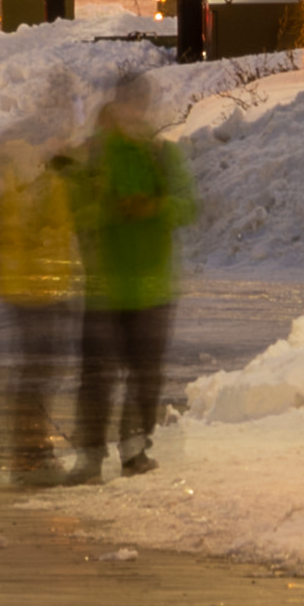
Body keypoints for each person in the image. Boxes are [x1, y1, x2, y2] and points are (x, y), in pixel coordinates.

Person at [66, 73, 189, 476]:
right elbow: (78, 211)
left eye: (139, 102)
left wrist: (154, 208)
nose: (133, 110)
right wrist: (111, 210)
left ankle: (133, 448)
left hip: (151, 286)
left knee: (143, 376)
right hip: (108, 285)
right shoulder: (97, 156)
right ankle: (91, 455)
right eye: (128, 102)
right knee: (98, 377)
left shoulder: (161, 155)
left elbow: (189, 206)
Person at [0, 110, 81, 479]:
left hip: (42, 278)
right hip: (32, 281)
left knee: (41, 366)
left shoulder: (39, 164)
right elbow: (34, 219)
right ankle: (29, 450)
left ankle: (32, 447)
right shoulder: (32, 165)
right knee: (39, 367)